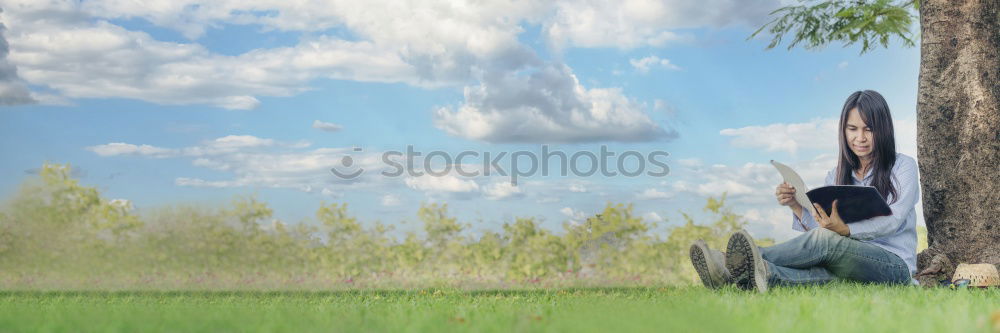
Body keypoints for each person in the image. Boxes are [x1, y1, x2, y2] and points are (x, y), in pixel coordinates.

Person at [689, 90, 919, 292]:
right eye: (853, 129)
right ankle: (752, 274)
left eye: (869, 129)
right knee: (822, 274)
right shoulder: (836, 175)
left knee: (826, 240)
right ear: (844, 130)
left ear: (884, 129)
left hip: (893, 265)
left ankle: (727, 262)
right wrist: (796, 205)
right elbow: (820, 230)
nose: (860, 138)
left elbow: (894, 221)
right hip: (847, 260)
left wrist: (847, 230)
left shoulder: (903, 167)